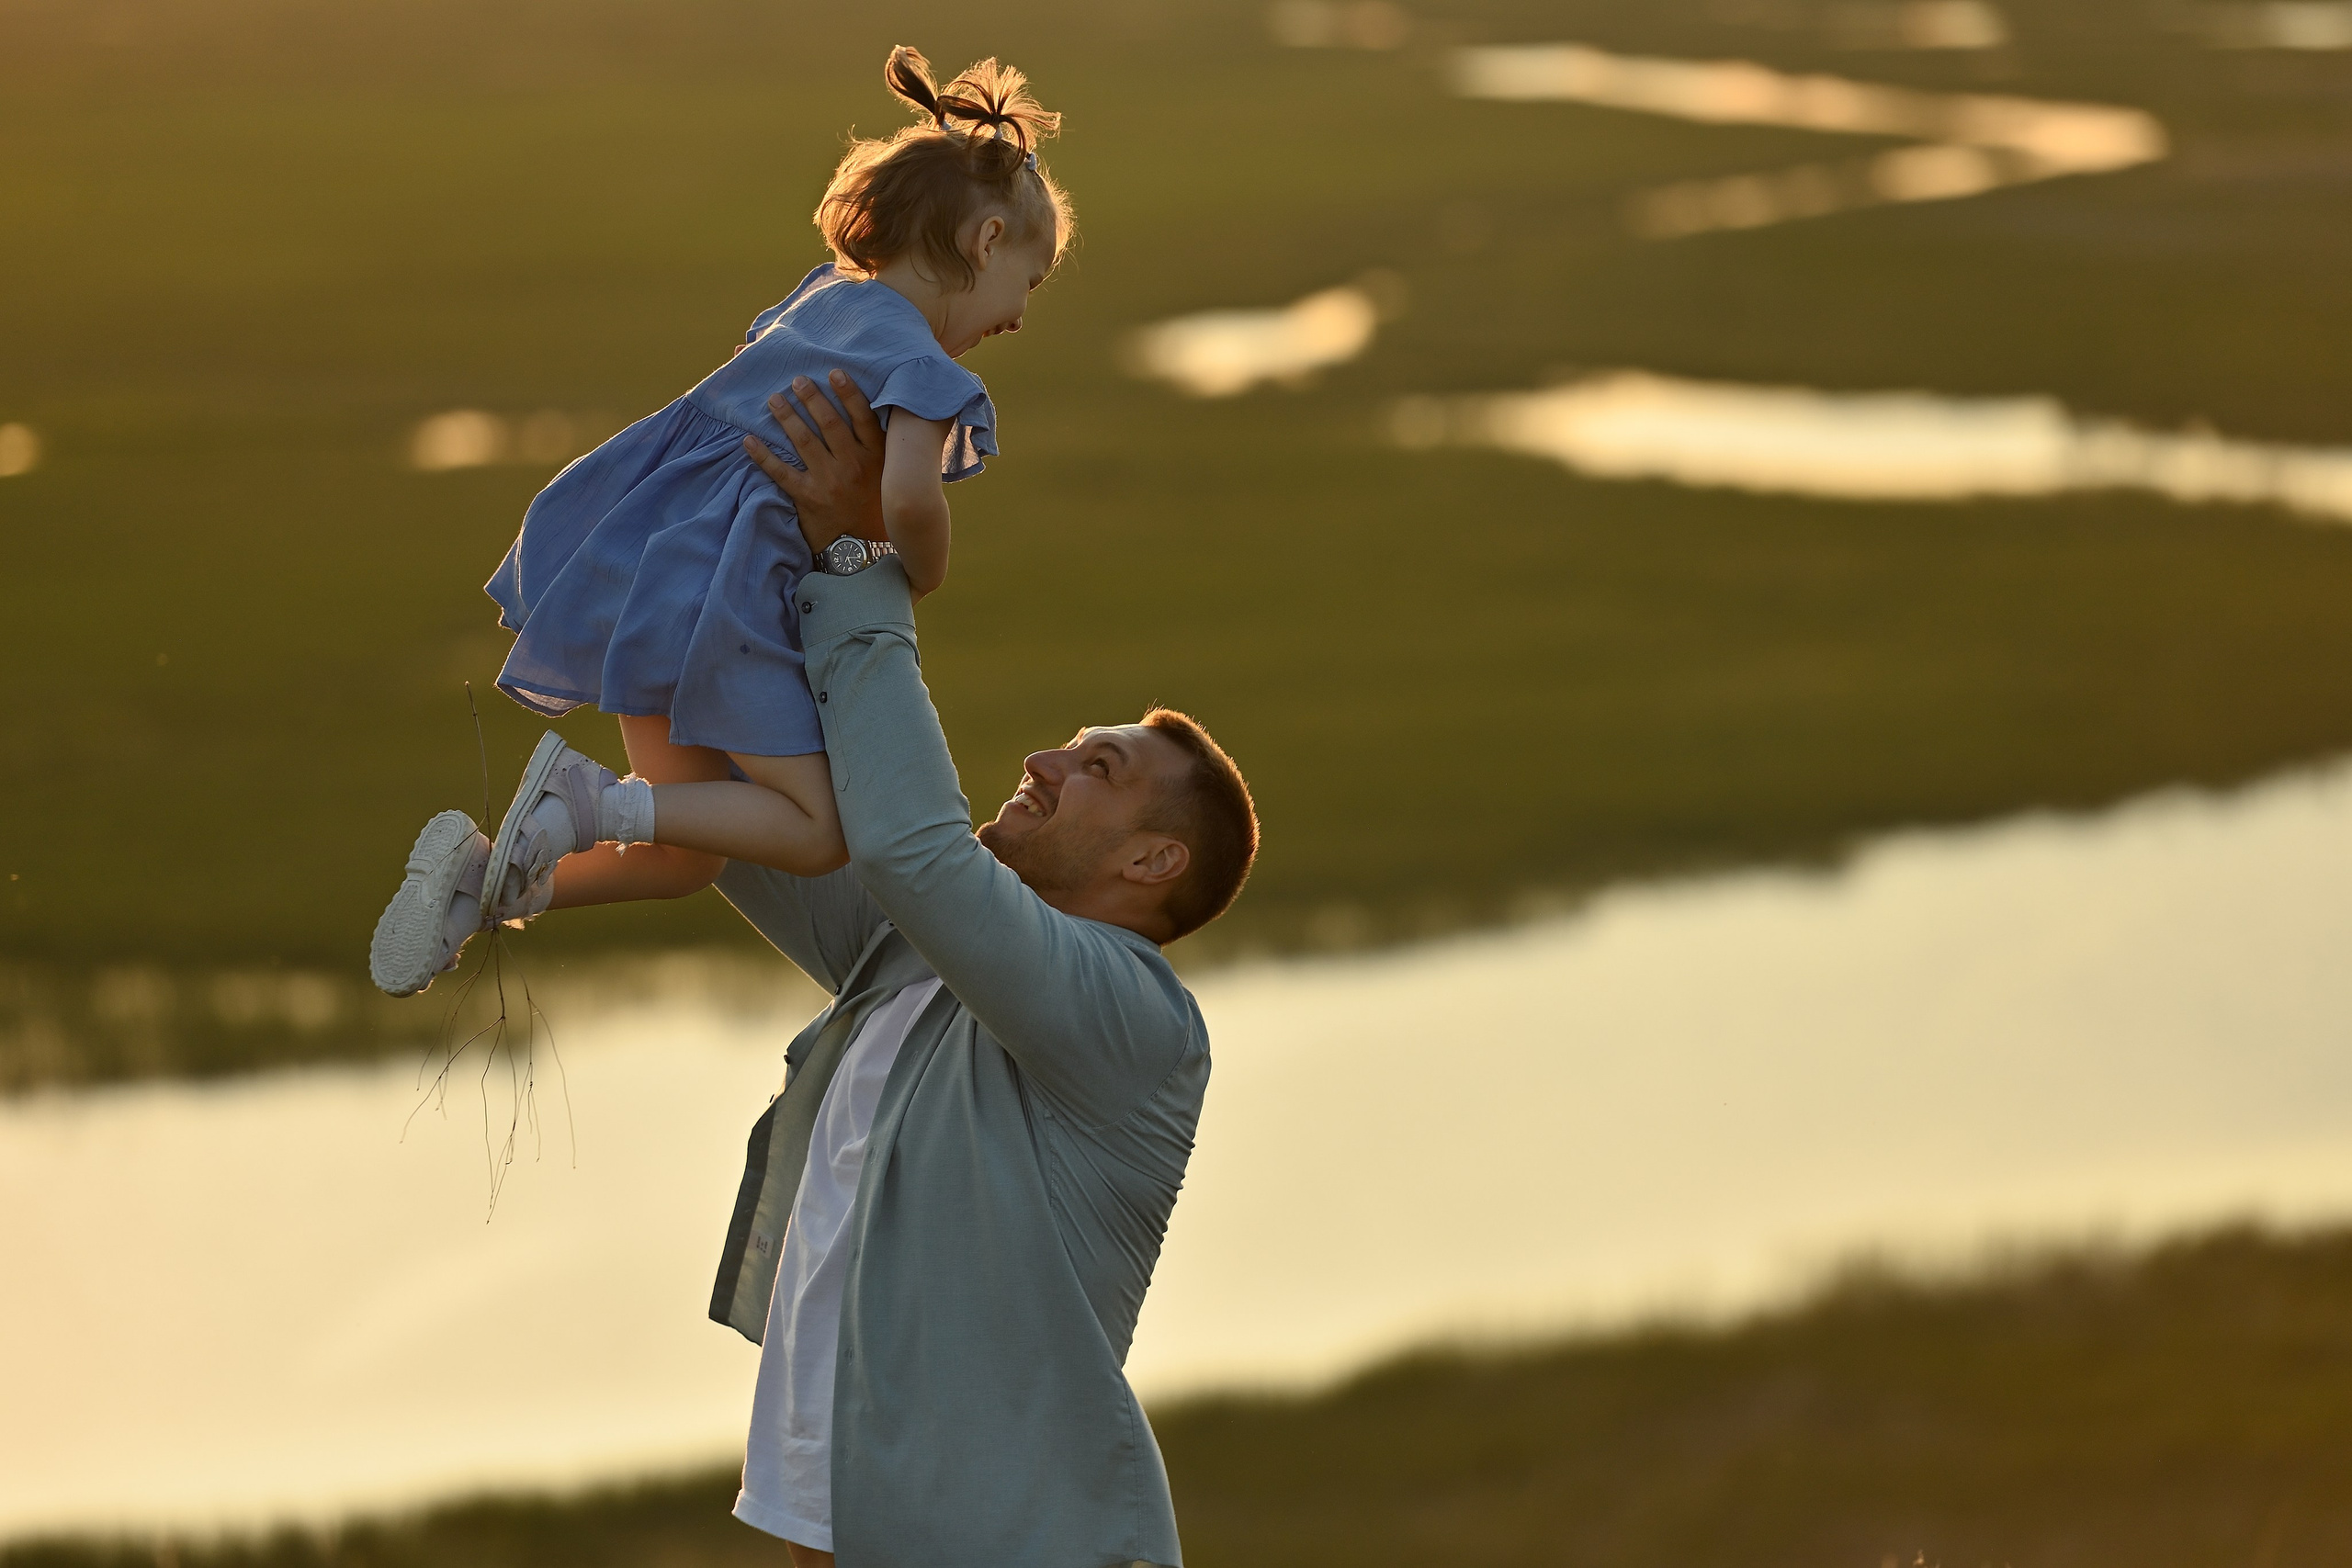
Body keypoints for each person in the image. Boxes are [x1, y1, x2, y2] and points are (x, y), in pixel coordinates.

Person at [369, 45, 1073, 997]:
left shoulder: (822, 297)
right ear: (987, 243)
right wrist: (924, 566)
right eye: (1028, 285)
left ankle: (476, 884)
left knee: (680, 844)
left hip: (640, 570)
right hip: (725, 605)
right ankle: (578, 807)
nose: (1021, 318)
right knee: (818, 832)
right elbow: (909, 498)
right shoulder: (927, 373)